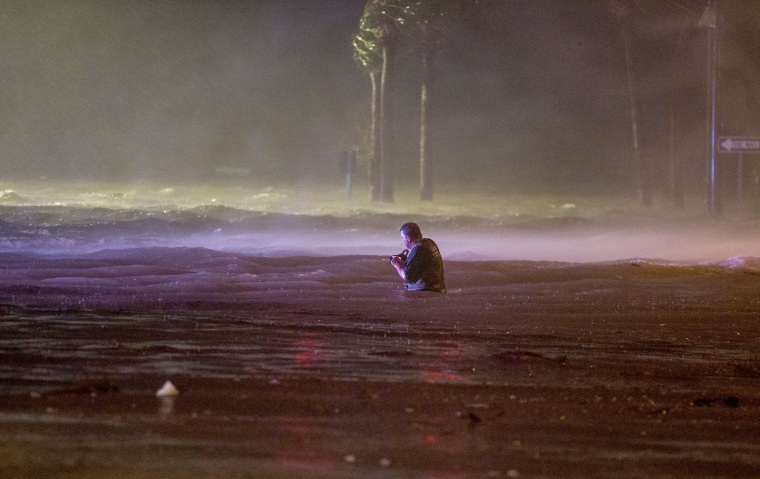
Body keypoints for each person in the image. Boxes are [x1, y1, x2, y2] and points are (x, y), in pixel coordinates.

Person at [390, 222, 446, 293]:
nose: (402, 240)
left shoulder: (419, 249)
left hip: (427, 291)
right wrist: (405, 261)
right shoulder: (430, 242)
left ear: (408, 238)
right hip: (438, 288)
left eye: (402, 237)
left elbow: (407, 277)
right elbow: (421, 265)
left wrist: (396, 264)